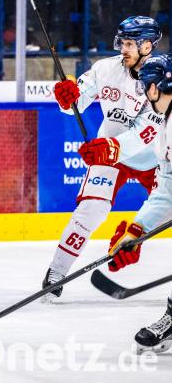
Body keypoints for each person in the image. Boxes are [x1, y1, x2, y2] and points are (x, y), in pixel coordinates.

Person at [42, 16, 164, 301]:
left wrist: (110, 148)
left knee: (162, 213)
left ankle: (133, 243)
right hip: (110, 149)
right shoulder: (105, 68)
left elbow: (146, 132)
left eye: (131, 43)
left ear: (148, 45)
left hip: (155, 157)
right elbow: (75, 103)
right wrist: (67, 97)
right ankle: (56, 273)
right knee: (90, 210)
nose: (124, 47)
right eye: (122, 41)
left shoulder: (161, 78)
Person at [103, 53, 172, 353]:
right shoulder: (165, 128)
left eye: (145, 88)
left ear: (154, 88)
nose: (144, 94)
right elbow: (166, 189)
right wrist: (136, 230)